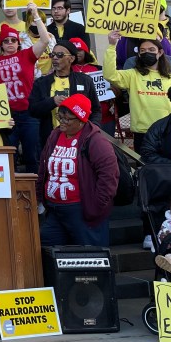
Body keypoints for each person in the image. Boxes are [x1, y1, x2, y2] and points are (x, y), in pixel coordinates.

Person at [36, 94, 119, 246]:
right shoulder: (55, 135)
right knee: (46, 247)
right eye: (60, 116)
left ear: (81, 119)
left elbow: (109, 177)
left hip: (82, 211)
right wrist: (40, 194)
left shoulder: (96, 141)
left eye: (67, 118)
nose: (62, 122)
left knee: (91, 258)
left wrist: (95, 207)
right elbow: (44, 165)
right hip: (55, 210)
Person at [0, 6, 49, 169]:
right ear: (1, 45)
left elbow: (45, 40)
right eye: (6, 41)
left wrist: (36, 15)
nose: (10, 43)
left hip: (29, 113)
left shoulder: (26, 55)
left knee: (32, 157)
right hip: (8, 116)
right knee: (9, 159)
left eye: (13, 40)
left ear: (18, 42)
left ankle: (36, 192)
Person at [29, 41, 101, 169]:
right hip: (51, 139)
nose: (55, 58)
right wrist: (52, 102)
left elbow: (95, 110)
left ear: (71, 58)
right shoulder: (42, 82)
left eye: (60, 55)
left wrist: (91, 130)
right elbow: (32, 110)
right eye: (53, 55)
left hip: (79, 140)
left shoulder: (85, 80)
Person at [104, 33, 171, 152]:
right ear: (139, 54)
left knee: (168, 167)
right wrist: (111, 46)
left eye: (151, 49)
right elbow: (110, 75)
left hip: (167, 131)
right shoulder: (132, 75)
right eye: (143, 50)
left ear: (160, 53)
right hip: (142, 132)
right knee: (145, 168)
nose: (147, 53)